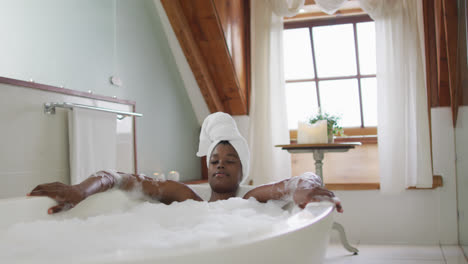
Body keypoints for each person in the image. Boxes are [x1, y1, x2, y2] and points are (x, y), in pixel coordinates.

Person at [28, 112, 342, 214]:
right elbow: (118, 177)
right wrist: (81, 190)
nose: (221, 165)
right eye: (215, 159)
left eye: (231, 161)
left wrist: (308, 186)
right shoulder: (185, 198)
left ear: (243, 171)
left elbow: (294, 182)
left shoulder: (249, 200)